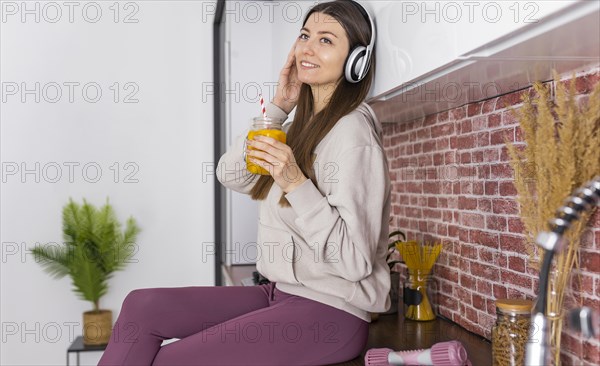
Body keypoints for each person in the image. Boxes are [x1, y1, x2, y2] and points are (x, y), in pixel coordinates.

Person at [97, 1, 390, 365]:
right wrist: (278, 109)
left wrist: (295, 182)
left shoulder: (352, 133)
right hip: (280, 293)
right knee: (142, 306)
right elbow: (232, 175)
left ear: (355, 61)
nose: (307, 49)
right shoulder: (298, 123)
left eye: (326, 40)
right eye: (304, 36)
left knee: (169, 362)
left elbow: (355, 262)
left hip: (332, 313)